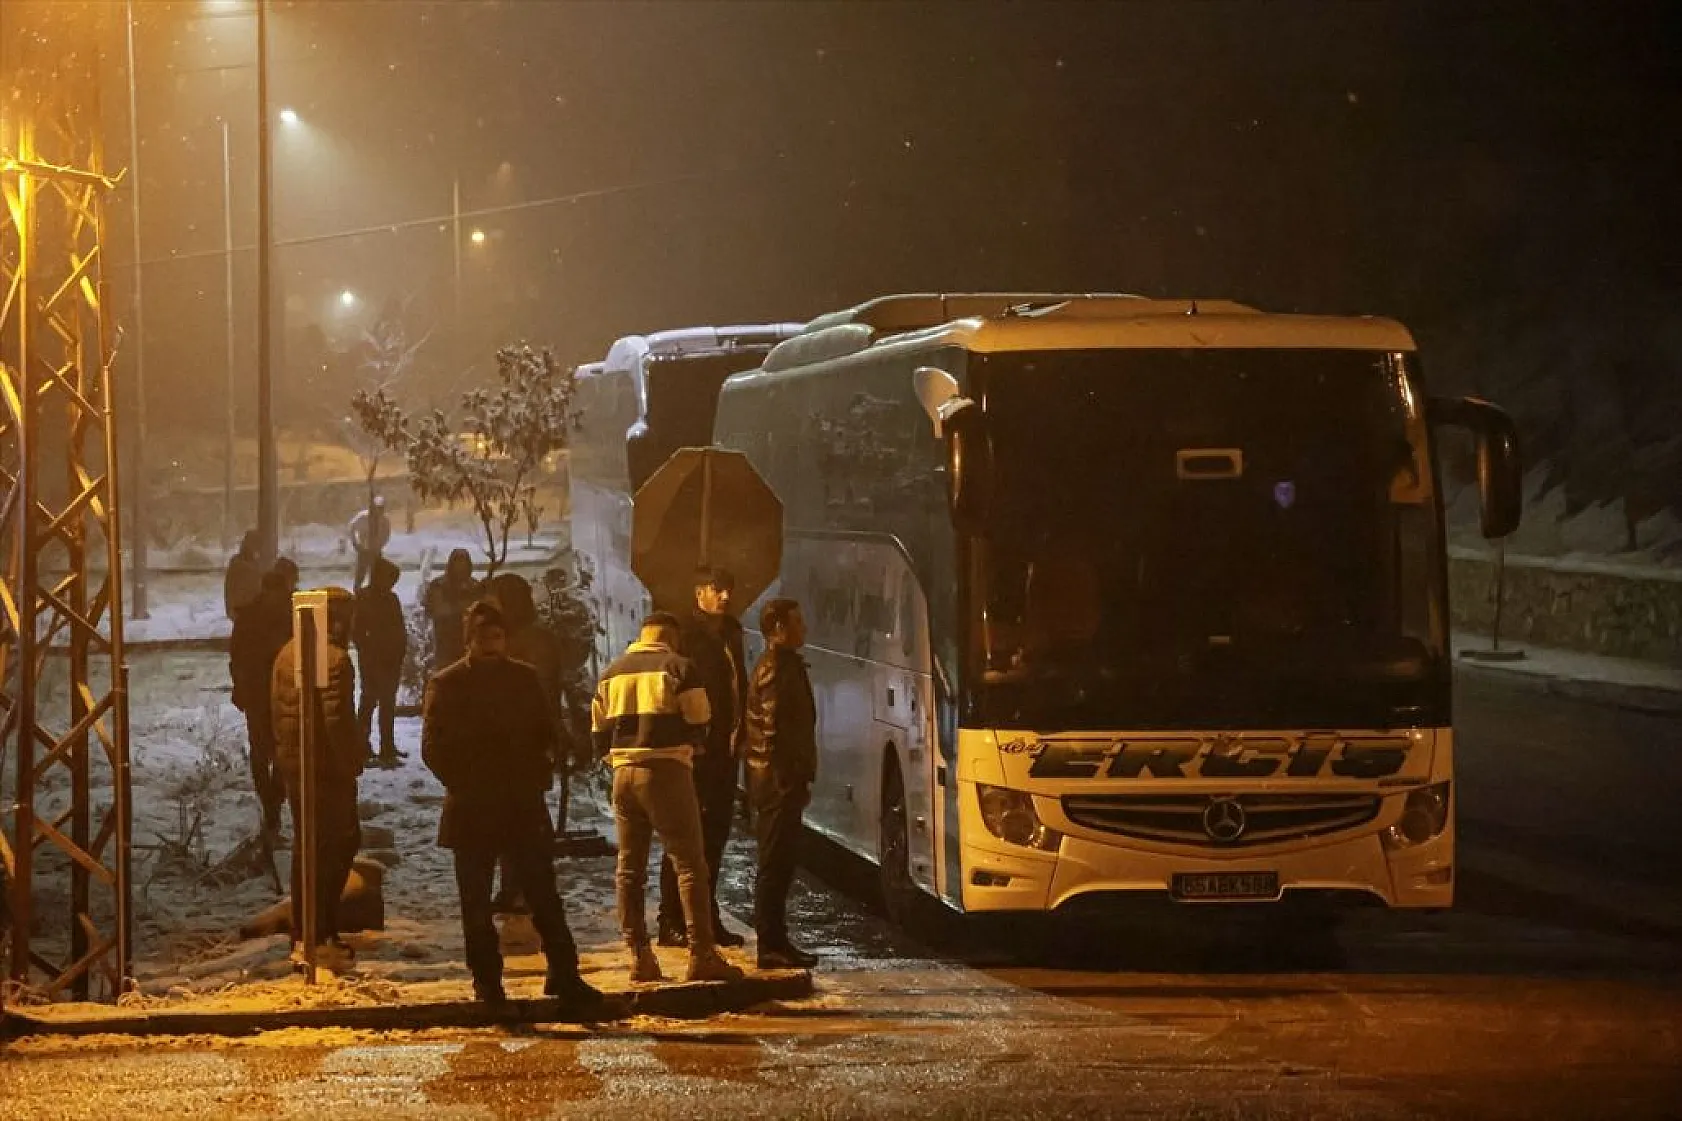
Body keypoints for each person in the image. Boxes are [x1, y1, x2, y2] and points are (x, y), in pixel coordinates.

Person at [422, 600, 604, 1008]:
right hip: (473, 808)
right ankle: (487, 982)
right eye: (483, 636)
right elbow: (434, 748)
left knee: (543, 893)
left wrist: (545, 767)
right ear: (469, 640)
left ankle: (564, 973)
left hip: (522, 803)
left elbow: (545, 729)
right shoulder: (447, 684)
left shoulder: (524, 678)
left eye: (497, 636)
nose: (491, 644)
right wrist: (466, 786)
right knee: (476, 902)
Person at [592, 612, 744, 984]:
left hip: (623, 775)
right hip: (667, 773)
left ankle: (640, 956)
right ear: (671, 636)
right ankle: (702, 954)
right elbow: (700, 721)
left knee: (630, 869)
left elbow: (597, 732)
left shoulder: (612, 672)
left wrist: (617, 759)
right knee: (690, 863)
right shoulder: (679, 667)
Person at [271, 586, 365, 970]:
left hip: (295, 765)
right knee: (337, 846)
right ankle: (321, 932)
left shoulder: (286, 652)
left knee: (306, 848)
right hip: (326, 769)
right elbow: (336, 721)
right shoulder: (336, 660)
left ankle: (304, 933)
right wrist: (352, 761)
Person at [657, 568, 748, 949]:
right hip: (697, 754)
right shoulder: (689, 640)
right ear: (699, 594)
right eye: (717, 590)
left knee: (715, 838)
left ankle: (705, 917)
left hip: (725, 754)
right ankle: (671, 919)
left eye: (729, 589)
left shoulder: (731, 634)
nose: (725, 597)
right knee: (683, 838)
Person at [744, 598, 819, 969]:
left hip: (780, 779)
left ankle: (778, 941)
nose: (803, 628)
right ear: (778, 629)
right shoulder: (776, 667)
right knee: (774, 864)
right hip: (776, 782)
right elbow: (771, 731)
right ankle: (770, 945)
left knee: (782, 863)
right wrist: (786, 779)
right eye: (797, 621)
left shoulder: (784, 664)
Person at [229, 568, 294, 831]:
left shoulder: (288, 616)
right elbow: (238, 658)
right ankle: (270, 803)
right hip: (259, 693)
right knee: (261, 752)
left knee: (279, 752)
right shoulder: (250, 618)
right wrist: (240, 687)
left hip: (281, 693)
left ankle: (274, 803)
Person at [354, 556, 408, 769]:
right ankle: (362, 746)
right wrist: (368, 648)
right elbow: (357, 631)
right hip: (372, 658)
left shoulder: (391, 599)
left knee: (388, 703)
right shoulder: (363, 598)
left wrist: (400, 649)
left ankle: (387, 745)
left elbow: (398, 626)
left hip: (391, 658)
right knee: (368, 702)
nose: (390, 583)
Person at [425, 548, 481, 670]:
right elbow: (438, 610)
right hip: (445, 642)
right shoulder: (438, 585)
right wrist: (463, 606)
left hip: (469, 643)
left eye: (464, 562)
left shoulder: (474, 586)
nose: (460, 567)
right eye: (457, 561)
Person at [348, 496, 392, 591]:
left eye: (382, 508)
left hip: (376, 551)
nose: (380, 511)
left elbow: (387, 534)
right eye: (378, 508)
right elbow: (351, 528)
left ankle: (373, 596)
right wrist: (355, 543)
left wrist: (380, 545)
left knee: (376, 577)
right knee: (360, 576)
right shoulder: (362, 517)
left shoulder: (384, 520)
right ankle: (356, 594)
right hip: (363, 550)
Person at [224, 530, 263, 622]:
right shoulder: (237, 563)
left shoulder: (256, 563)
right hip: (241, 608)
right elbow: (230, 587)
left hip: (253, 607)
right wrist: (230, 608)